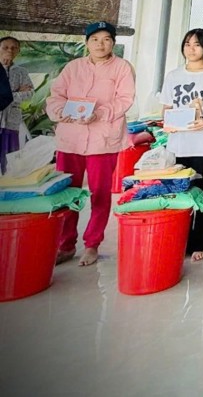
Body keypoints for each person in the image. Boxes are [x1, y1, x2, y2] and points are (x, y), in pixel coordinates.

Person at [46, 21, 135, 266]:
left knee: (100, 193)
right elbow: (56, 96)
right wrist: (59, 111)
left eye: (106, 39)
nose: (100, 44)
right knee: (67, 193)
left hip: (102, 140)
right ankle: (66, 245)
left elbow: (125, 99)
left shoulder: (122, 68)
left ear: (113, 43)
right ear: (86, 43)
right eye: (94, 39)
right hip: (71, 139)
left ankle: (92, 244)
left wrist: (100, 113)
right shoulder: (73, 67)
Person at [160, 29, 203, 262]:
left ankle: (201, 242)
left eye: (197, 44)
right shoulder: (173, 75)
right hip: (178, 144)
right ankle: (180, 239)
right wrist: (167, 123)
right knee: (178, 192)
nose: (191, 49)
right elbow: (167, 107)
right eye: (187, 44)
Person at [0, 36, 34, 172]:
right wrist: (17, 92)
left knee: (10, 160)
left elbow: (30, 94)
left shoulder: (21, 72)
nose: (10, 50)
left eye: (14, 48)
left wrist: (8, 95)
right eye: (5, 47)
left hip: (12, 121)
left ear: (18, 51)